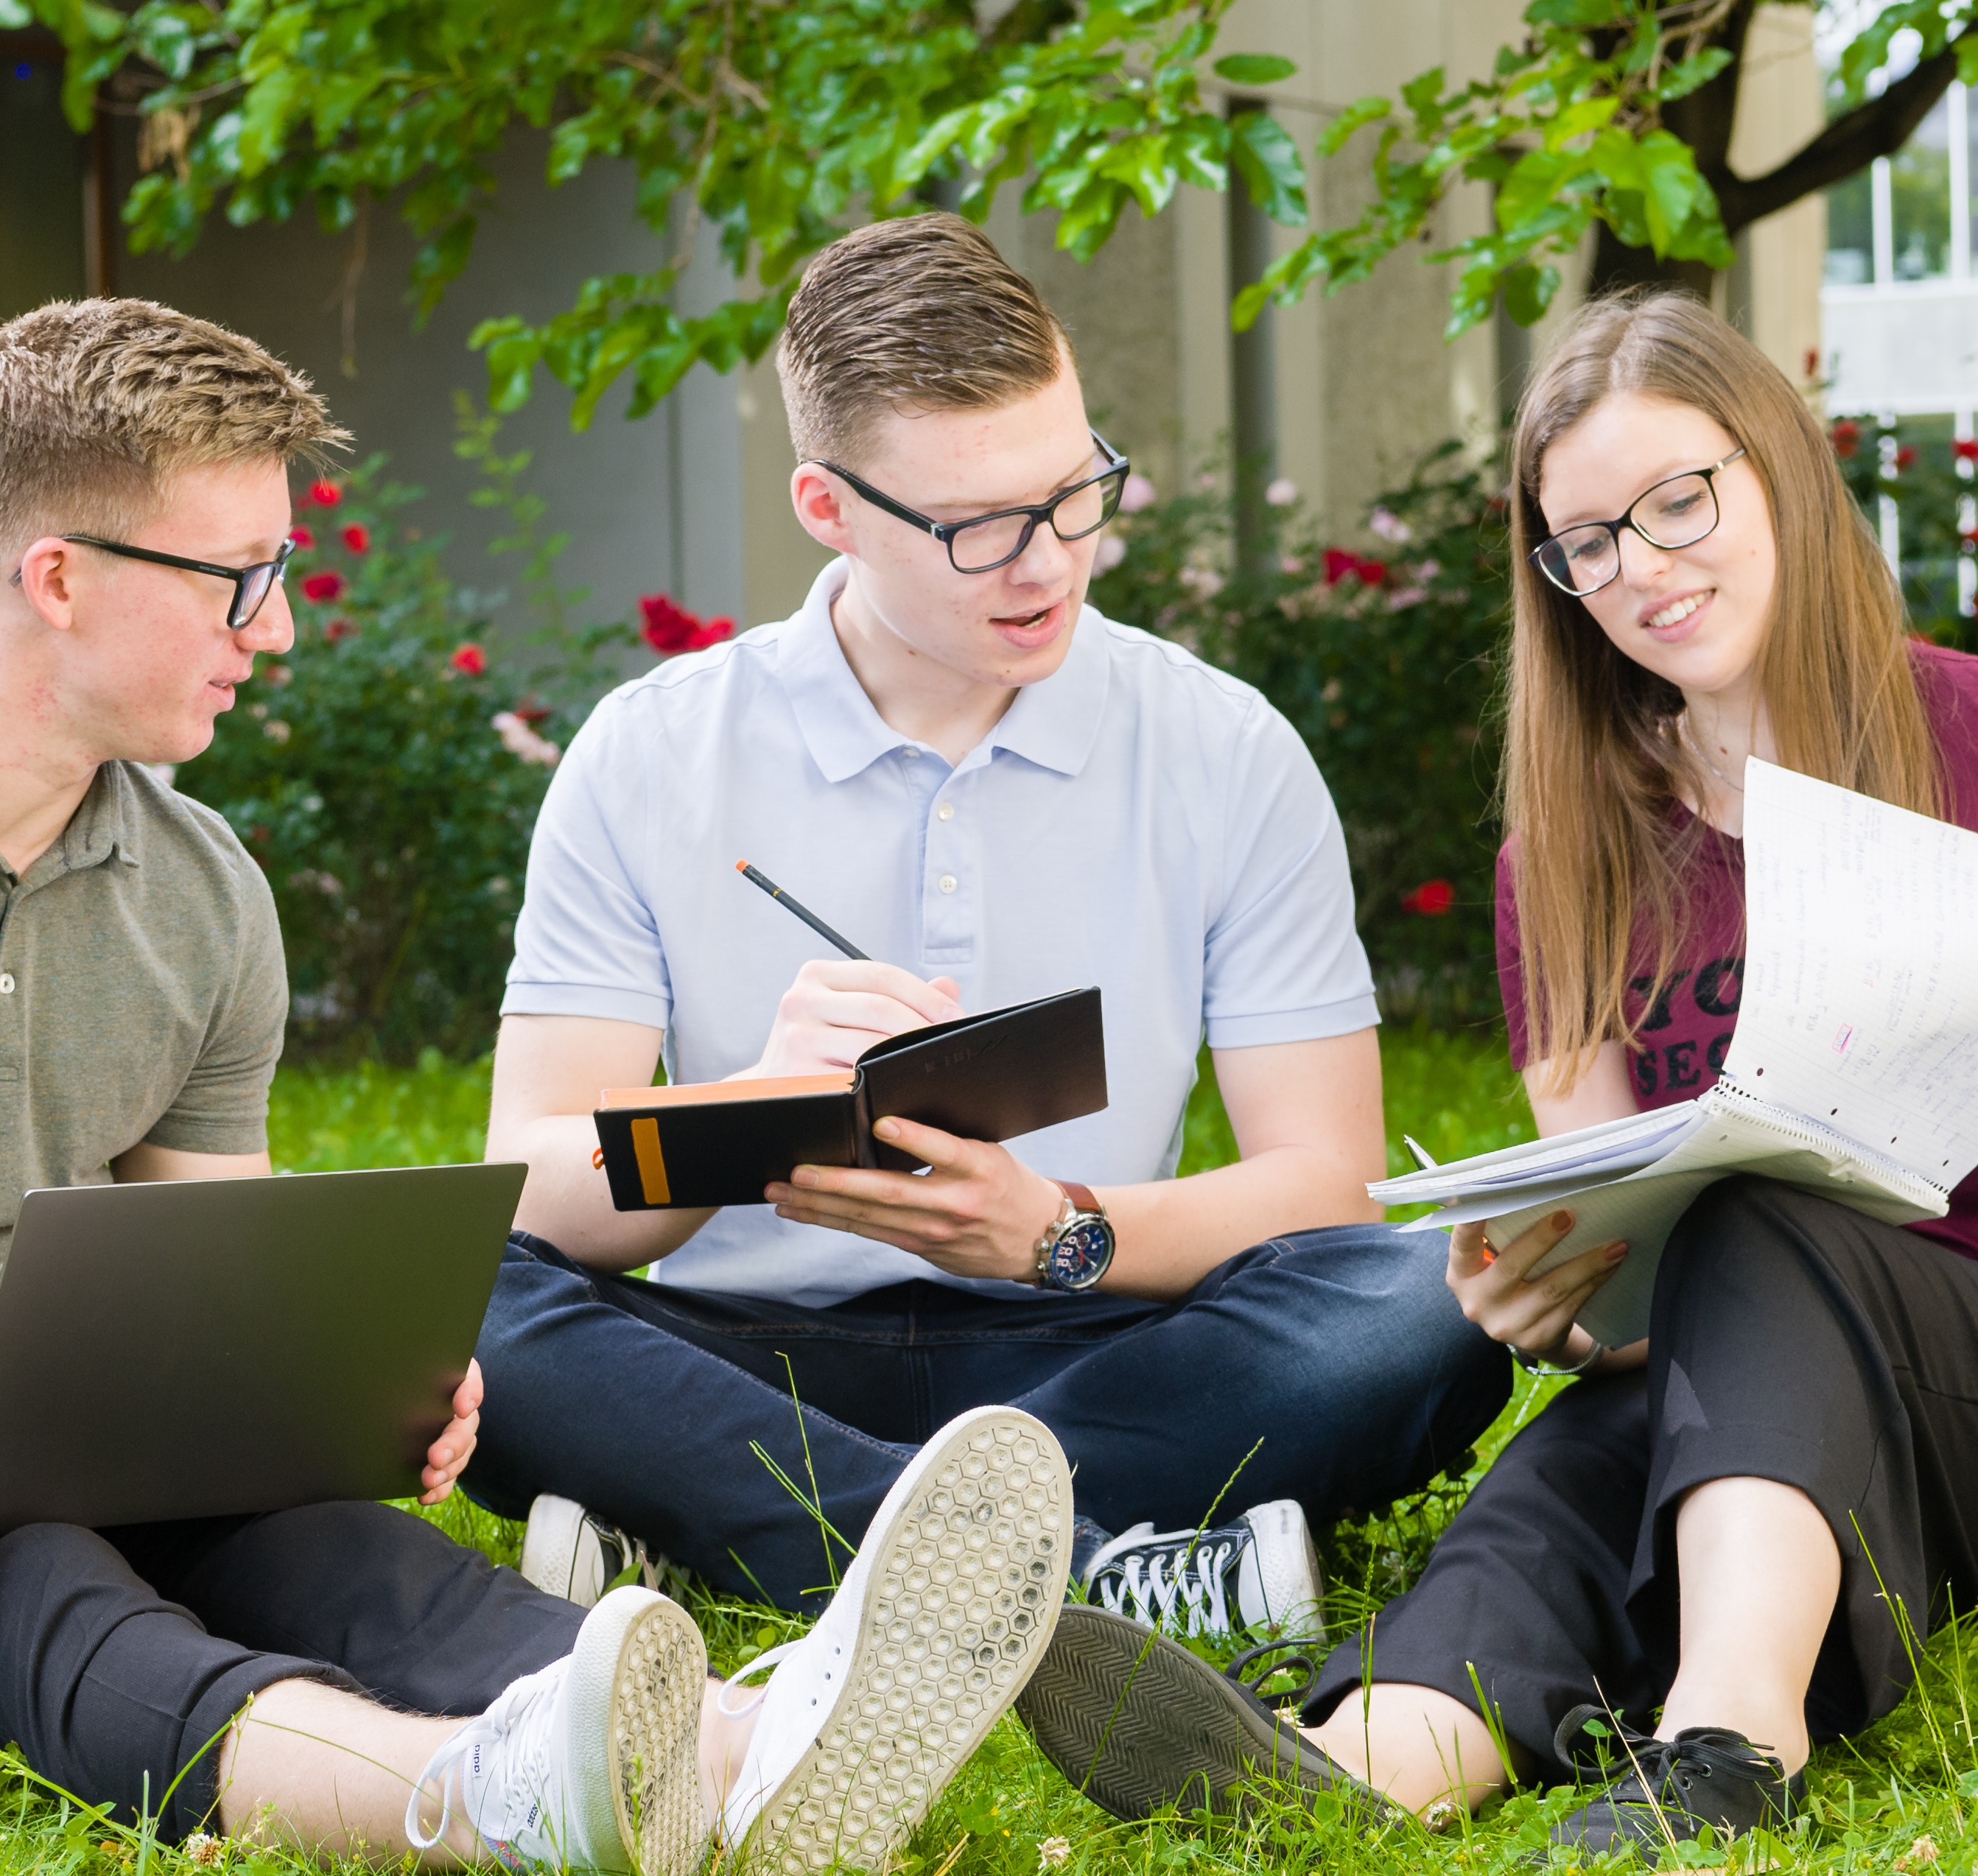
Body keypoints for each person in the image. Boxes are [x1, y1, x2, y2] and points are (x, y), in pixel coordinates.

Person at [0, 298, 1073, 1876]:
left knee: (341, 1553)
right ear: (58, 576)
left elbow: (213, 1290)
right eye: (242, 579)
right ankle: (481, 1797)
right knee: (27, 1581)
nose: (282, 628)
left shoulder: (199, 891)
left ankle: (746, 1751)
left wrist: (345, 1399)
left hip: (59, 1423)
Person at [1024, 291, 1978, 1855]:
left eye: (1678, 499)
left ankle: (1726, 1743)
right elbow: (1640, 1299)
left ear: (1778, 473)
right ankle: (1367, 1759)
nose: (1643, 566)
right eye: (1589, 541)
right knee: (1590, 1444)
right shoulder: (1565, 857)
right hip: (1785, 1423)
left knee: (1770, 1215)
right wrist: (1549, 1307)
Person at [469, 211, 1508, 1641]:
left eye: (1074, 492)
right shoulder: (653, 751)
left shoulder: (1222, 746)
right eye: (973, 528)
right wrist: (752, 1108)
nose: (1047, 563)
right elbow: (528, 1189)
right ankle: (1092, 1570)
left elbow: (1321, 1183)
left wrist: (1054, 1233)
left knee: (1426, 1296)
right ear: (826, 509)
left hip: (1096, 1337)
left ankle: (738, 1539)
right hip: (742, 1359)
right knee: (468, 1302)